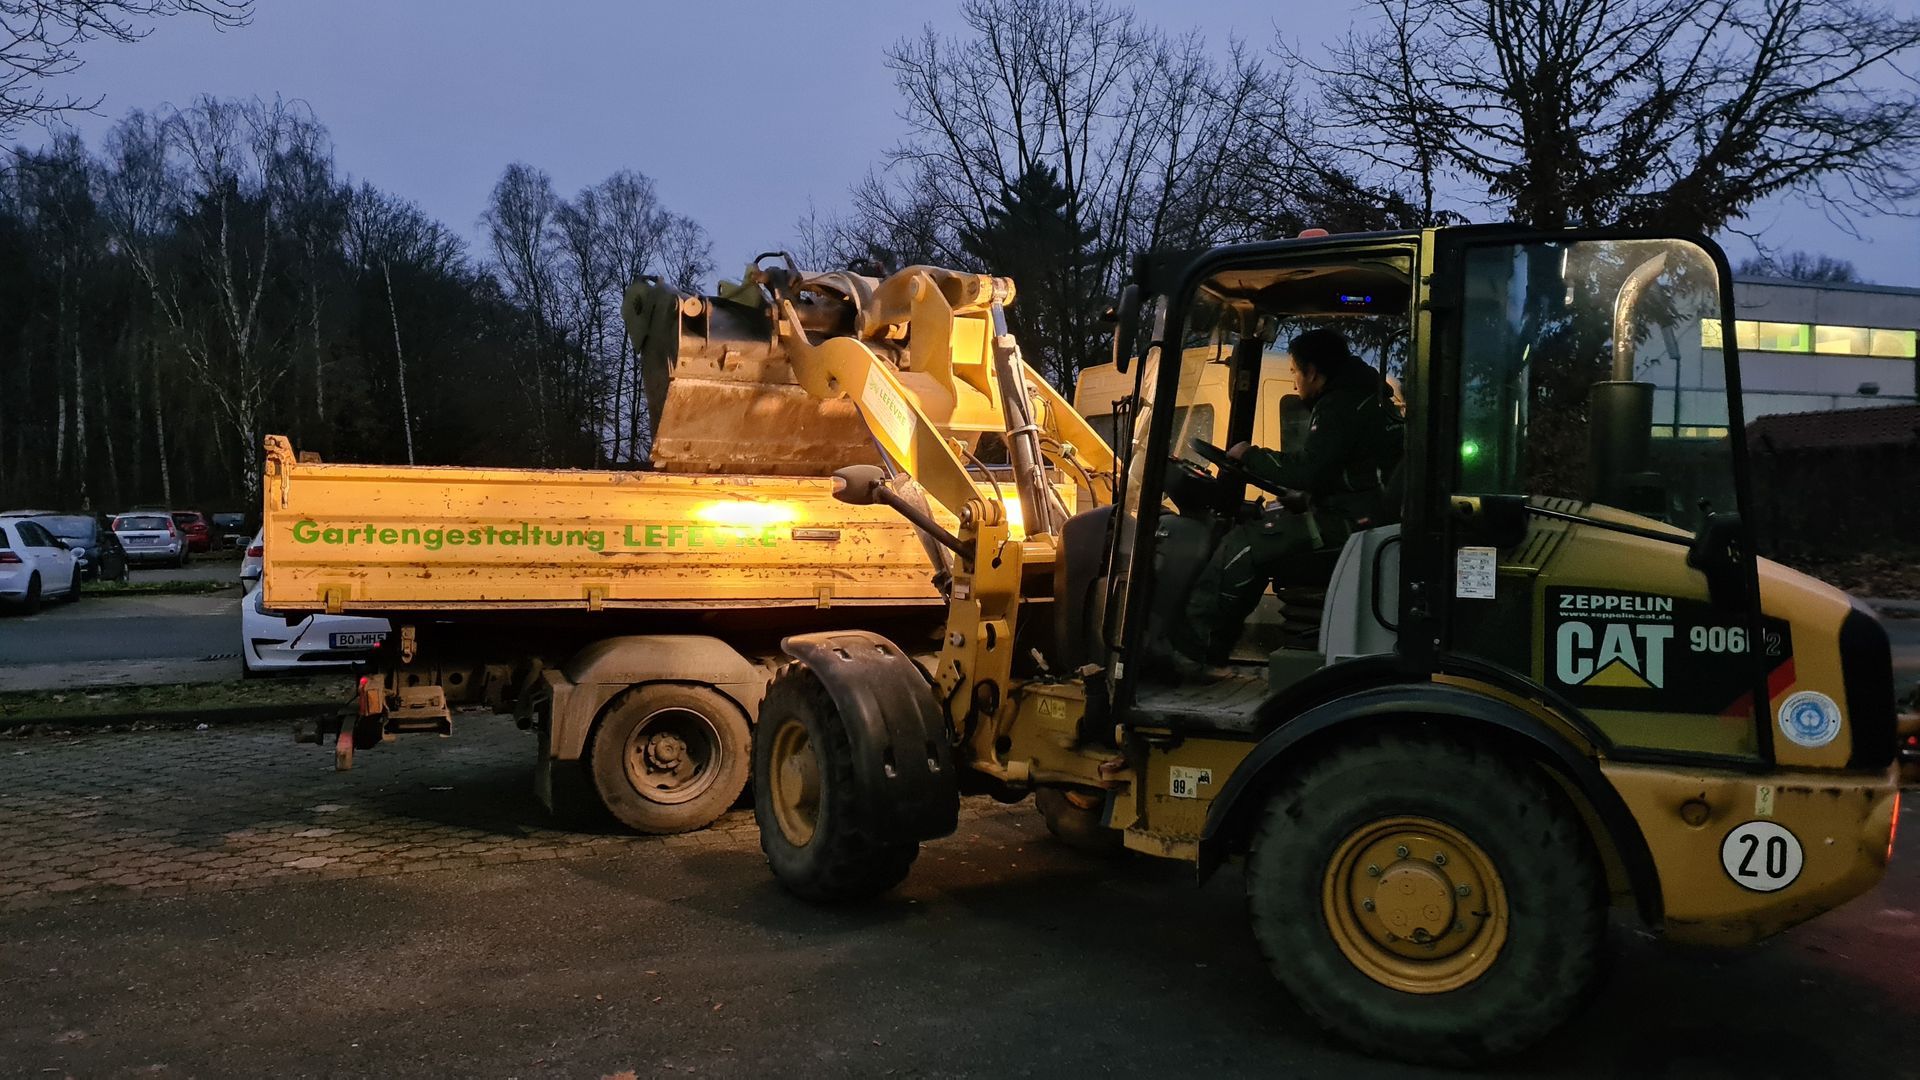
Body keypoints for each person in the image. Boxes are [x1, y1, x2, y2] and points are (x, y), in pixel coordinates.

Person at [1174, 328, 1402, 670]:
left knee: (1244, 544)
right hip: (1366, 516)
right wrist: (1306, 497)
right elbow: (1342, 470)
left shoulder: (1340, 404)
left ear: (1312, 371)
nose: (1294, 381)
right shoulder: (1367, 397)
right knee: (1266, 528)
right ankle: (1211, 649)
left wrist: (1250, 455)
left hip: (1352, 524)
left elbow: (1309, 469)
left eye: (1295, 371)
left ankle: (1192, 650)